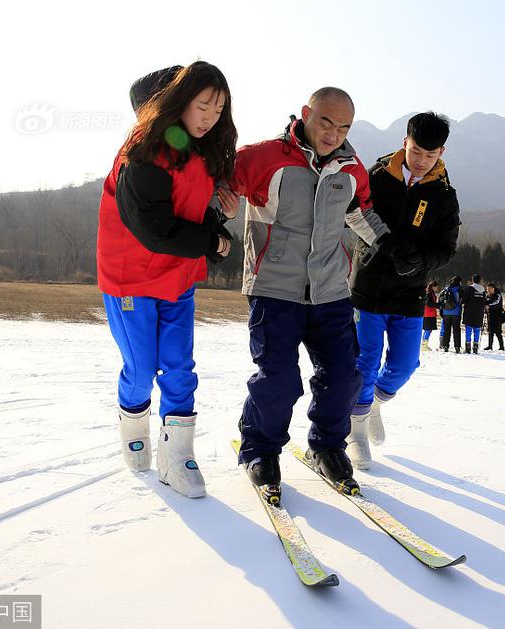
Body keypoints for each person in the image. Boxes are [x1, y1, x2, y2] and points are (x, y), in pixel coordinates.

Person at [219, 87, 391, 497]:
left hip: (331, 290)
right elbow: (221, 188)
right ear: (306, 114)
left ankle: (328, 447)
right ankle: (260, 449)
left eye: (344, 126)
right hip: (274, 288)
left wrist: (392, 247)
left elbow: (362, 213)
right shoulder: (264, 158)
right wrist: (212, 221)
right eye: (326, 122)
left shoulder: (351, 170)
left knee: (345, 376)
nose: (333, 134)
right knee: (278, 380)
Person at [99, 61, 238, 498]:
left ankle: (177, 456)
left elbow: (188, 208)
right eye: (202, 106)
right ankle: (133, 425)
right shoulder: (141, 153)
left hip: (176, 278)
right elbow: (155, 228)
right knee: (141, 369)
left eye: (218, 108)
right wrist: (212, 241)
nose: (210, 117)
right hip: (132, 278)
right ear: (173, 101)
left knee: (179, 367)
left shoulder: (195, 148)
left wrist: (219, 216)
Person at [346, 112, 460, 469]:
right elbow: (355, 214)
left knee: (405, 364)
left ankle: (373, 406)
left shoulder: (444, 194)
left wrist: (421, 263)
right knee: (364, 363)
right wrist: (383, 246)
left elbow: (448, 246)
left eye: (431, 155)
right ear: (404, 142)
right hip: (368, 288)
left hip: (410, 293)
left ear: (441, 152)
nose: (422, 161)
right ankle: (356, 432)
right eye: (416, 151)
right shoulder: (377, 177)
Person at [461, 273, 487, 353]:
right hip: (479, 313)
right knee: (477, 330)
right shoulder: (483, 290)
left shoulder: (469, 288)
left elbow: (464, 300)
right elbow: (484, 301)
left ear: (473, 280)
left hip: (469, 312)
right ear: (479, 281)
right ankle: (475, 347)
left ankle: (468, 348)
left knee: (468, 330)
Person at [439, 276, 463, 353]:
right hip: (456, 313)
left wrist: (441, 311)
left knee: (447, 330)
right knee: (456, 330)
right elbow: (463, 300)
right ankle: (457, 346)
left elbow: (440, 299)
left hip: (446, 313)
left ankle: (445, 346)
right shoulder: (460, 289)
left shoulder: (446, 289)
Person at [484, 283, 505, 351]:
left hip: (497, 316)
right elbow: (485, 303)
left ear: (493, 289)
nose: (488, 291)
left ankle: (501, 347)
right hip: (490, 316)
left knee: (498, 332)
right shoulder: (487, 296)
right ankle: (490, 346)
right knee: (490, 332)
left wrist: (489, 306)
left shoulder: (498, 295)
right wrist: (485, 308)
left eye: (489, 289)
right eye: (487, 289)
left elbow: (497, 303)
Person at [421, 281, 441, 352]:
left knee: (428, 329)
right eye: (436, 287)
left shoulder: (430, 293)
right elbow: (429, 304)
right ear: (433, 287)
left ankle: (424, 344)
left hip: (429, 313)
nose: (437, 288)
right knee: (428, 329)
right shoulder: (429, 294)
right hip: (428, 314)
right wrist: (438, 305)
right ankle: (424, 345)